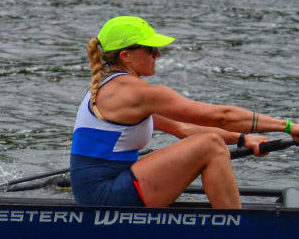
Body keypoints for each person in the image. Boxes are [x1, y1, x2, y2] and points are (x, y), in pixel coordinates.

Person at [70, 16, 298, 209]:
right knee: (210, 144)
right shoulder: (133, 92)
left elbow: (184, 128)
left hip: (102, 187)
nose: (158, 55)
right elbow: (224, 117)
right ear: (125, 56)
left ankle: (229, 222)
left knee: (211, 141)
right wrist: (288, 127)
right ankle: (236, 231)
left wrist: (243, 138)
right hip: (103, 196)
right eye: (150, 49)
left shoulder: (113, 87)